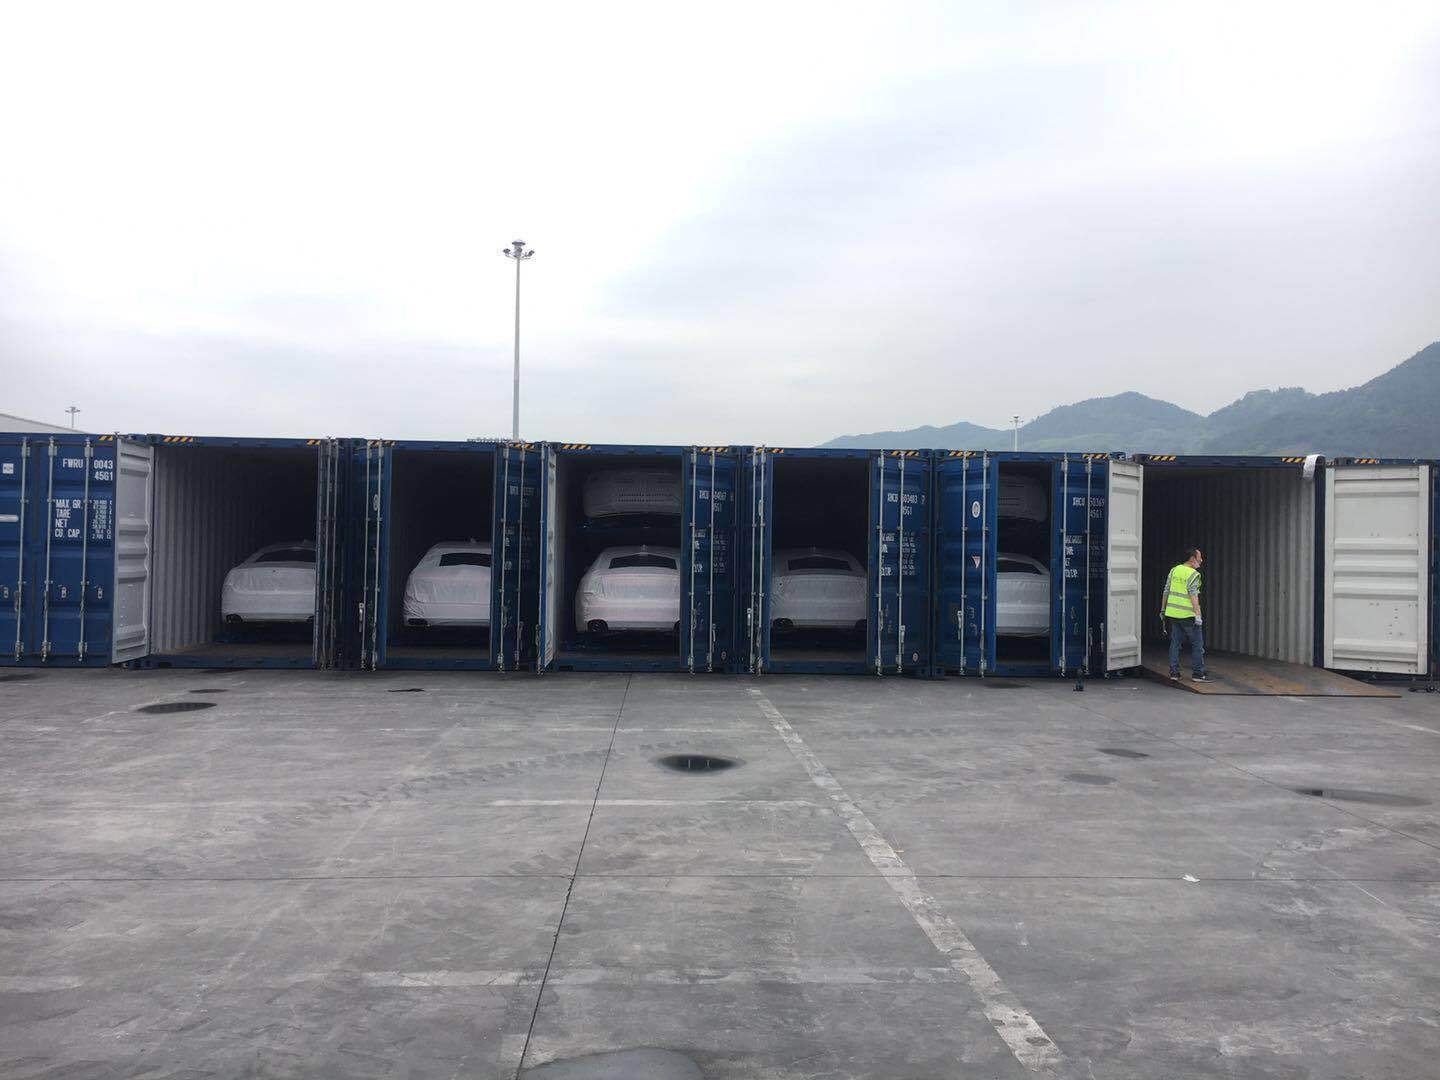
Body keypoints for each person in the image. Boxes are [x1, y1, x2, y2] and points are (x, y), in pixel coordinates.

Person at [1162, 547, 1208, 683]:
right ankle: (1198, 674)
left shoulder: (1174, 570)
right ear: (1192, 558)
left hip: (1173, 614)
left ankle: (1174, 673)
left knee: (1175, 643)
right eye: (1199, 557)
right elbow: (1193, 595)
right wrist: (1198, 615)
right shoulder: (1193, 574)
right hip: (1188, 615)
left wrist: (1162, 610)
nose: (1201, 560)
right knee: (1197, 644)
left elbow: (1166, 590)